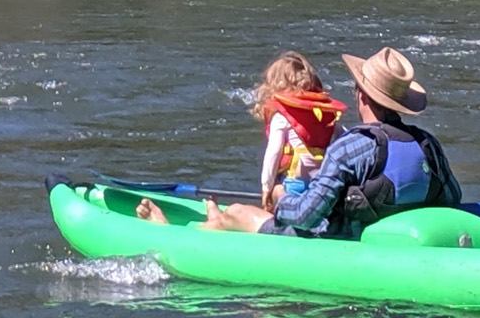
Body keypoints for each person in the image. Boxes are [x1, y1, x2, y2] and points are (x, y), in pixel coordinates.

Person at [193, 47, 462, 238]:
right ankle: (216, 219)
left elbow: (306, 217)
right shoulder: (428, 145)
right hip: (397, 238)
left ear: (361, 96)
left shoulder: (349, 147)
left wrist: (280, 196)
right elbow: (452, 199)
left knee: (238, 213)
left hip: (337, 240)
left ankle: (206, 223)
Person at [250, 52, 346, 208]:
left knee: (276, 191)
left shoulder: (281, 117)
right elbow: (345, 137)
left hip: (294, 184)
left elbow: (273, 153)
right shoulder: (322, 114)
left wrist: (266, 188)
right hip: (321, 184)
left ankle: (274, 218)